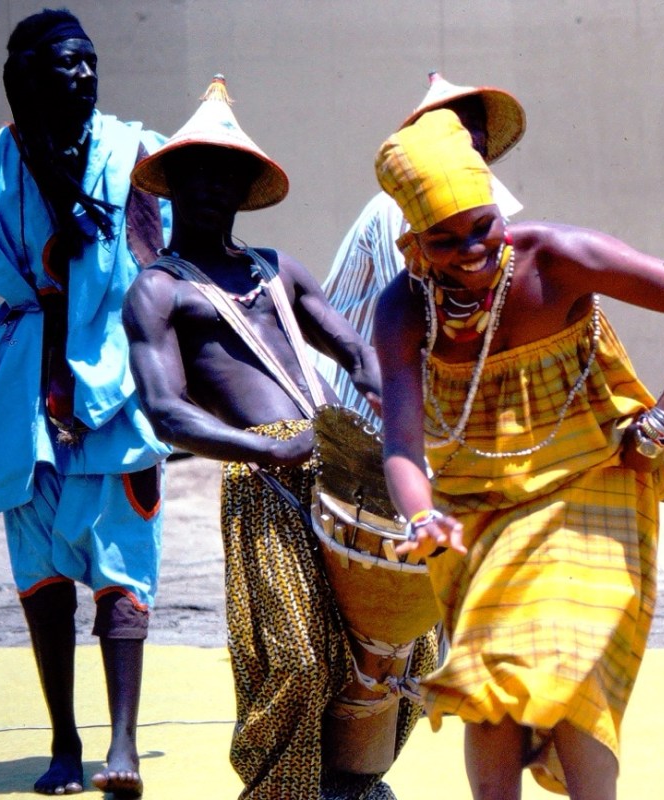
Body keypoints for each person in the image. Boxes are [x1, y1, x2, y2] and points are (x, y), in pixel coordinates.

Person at [372, 109, 664, 798]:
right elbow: (400, 441)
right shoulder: (403, 309)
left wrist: (659, 425)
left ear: (498, 209)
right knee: (484, 682)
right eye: (445, 241)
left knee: (564, 664)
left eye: (481, 227)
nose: (471, 251)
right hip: (475, 510)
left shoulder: (559, 258)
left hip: (593, 482)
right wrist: (422, 517)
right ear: (414, 241)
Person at [123, 76, 433, 800]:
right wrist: (267, 450)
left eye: (226, 174)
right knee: (295, 657)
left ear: (244, 188)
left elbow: (358, 356)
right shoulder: (159, 291)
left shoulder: (278, 270)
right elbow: (165, 411)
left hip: (340, 460)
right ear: (172, 184)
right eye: (197, 172)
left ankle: (356, 781)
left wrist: (400, 433)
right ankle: (279, 792)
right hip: (261, 478)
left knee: (399, 642)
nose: (211, 186)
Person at [0, 10, 170, 796]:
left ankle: (124, 744)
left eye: (91, 62)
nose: (84, 76)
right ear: (26, 77)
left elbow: (161, 267)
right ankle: (64, 742)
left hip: (114, 391)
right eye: (66, 64)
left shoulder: (133, 156)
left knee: (122, 570)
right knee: (39, 579)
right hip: (20, 402)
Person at [314, 72, 525, 425]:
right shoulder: (396, 209)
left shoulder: (490, 209)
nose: (467, 137)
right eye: (452, 127)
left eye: (474, 126)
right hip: (364, 403)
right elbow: (420, 313)